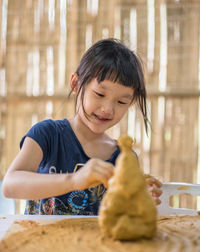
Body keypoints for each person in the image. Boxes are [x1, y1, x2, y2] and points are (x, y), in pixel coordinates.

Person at [2, 38, 162, 215]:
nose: (108, 109)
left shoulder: (123, 157)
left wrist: (138, 201)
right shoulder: (47, 134)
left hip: (95, 243)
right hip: (39, 240)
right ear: (75, 84)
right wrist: (74, 180)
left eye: (121, 101)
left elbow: (121, 215)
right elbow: (10, 185)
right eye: (100, 94)